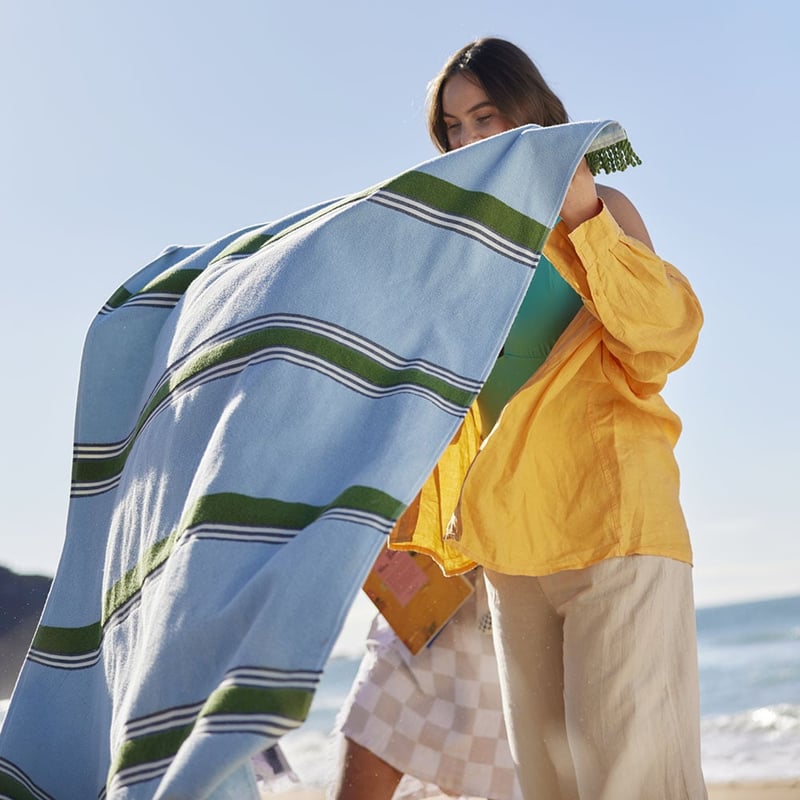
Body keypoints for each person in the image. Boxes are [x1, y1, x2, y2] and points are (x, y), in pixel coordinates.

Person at [336, 36, 707, 800]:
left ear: (529, 113)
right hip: (511, 543)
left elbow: (661, 345)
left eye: (486, 116)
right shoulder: (456, 244)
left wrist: (585, 215)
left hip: (614, 521)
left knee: (633, 779)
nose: (469, 139)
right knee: (549, 784)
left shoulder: (601, 210)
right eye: (453, 128)